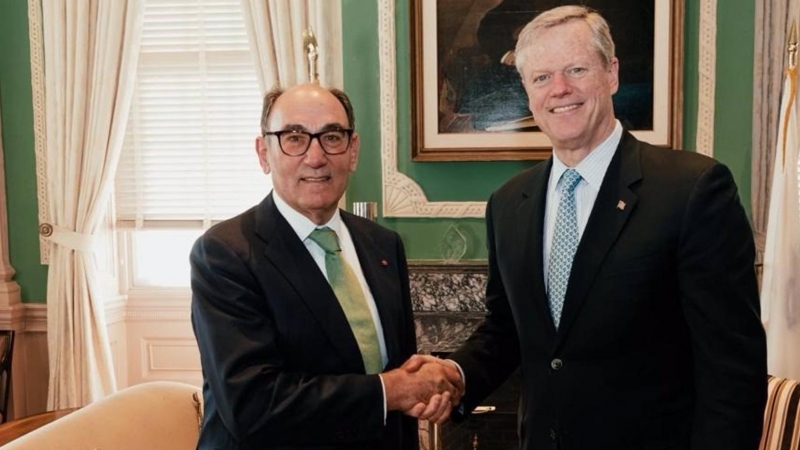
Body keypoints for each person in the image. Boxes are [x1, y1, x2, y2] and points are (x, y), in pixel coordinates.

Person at [412, 5, 767, 449]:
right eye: (541, 77)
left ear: (612, 73)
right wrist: (455, 375)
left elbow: (733, 371)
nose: (559, 89)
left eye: (576, 69)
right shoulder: (508, 204)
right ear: (526, 90)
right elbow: (508, 330)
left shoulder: (692, 190)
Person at [190, 83, 461, 449]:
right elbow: (253, 404)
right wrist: (392, 390)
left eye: (332, 137)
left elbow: (400, 373)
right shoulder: (225, 253)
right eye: (294, 137)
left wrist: (421, 386)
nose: (316, 157)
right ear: (263, 153)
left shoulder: (381, 243)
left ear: (352, 151)